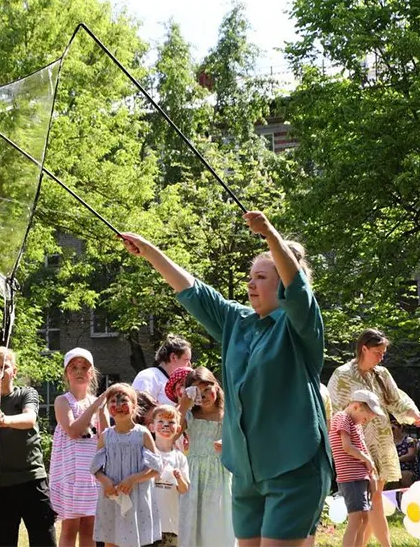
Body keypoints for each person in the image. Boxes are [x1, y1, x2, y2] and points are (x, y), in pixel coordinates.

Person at [122, 211, 332, 546]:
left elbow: (298, 289)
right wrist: (149, 251)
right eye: (250, 276)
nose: (251, 283)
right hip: (246, 470)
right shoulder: (238, 321)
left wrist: (270, 235)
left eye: (262, 277)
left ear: (284, 284)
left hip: (294, 464)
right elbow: (194, 290)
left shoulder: (300, 324)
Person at [328, 328, 420, 547]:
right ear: (364, 348)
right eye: (377, 352)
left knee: (374, 499)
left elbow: (396, 399)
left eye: (383, 352)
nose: (382, 357)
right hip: (355, 446)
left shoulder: (381, 374)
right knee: (372, 502)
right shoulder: (342, 375)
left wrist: (413, 413)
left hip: (380, 442)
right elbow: (332, 412)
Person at [0, 347, 57, 547]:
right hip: (0, 484)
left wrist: (5, 420)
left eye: (4, 366)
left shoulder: (27, 393)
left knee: (43, 538)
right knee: (0, 540)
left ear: (15, 371)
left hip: (32, 479)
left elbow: (29, 418)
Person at [91, 383, 161, 547]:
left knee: (135, 540)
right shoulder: (106, 436)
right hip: (112, 496)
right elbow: (95, 468)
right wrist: (105, 481)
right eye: (113, 402)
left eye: (124, 401)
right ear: (108, 407)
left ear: (134, 405)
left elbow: (156, 468)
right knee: (111, 540)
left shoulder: (142, 434)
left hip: (136, 496)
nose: (118, 406)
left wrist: (134, 479)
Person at [49, 347, 107, 547]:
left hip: (92, 474)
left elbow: (105, 434)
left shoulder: (98, 403)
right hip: (72, 474)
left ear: (91, 373)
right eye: (74, 368)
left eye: (84, 367)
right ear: (67, 373)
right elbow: (73, 430)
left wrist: (101, 408)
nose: (80, 371)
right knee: (70, 526)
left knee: (89, 526)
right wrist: (95, 406)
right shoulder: (62, 401)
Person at [176, 367, 233, 546]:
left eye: (207, 389)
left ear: (216, 387)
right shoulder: (190, 415)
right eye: (198, 392)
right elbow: (172, 435)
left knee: (217, 522)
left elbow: (243, 437)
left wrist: (228, 443)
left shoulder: (229, 413)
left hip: (220, 474)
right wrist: (183, 407)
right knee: (192, 522)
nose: (204, 395)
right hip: (193, 474)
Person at [329, 390, 382, 547]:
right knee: (356, 519)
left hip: (361, 476)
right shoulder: (342, 418)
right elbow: (347, 447)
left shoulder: (355, 424)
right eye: (366, 417)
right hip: (350, 477)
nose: (365, 421)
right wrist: (367, 461)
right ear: (356, 406)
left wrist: (371, 474)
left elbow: (363, 449)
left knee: (364, 518)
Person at [150, 405, 189, 547]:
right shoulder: (146, 453)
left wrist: (179, 478)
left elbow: (184, 489)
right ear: (151, 427)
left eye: (171, 422)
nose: (166, 425)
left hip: (171, 524)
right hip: (147, 524)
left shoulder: (180, 457)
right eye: (160, 421)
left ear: (178, 429)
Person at [131, 336, 192, 407]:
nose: (189, 365)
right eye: (186, 360)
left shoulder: (176, 382)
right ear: (173, 357)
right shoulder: (149, 376)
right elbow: (141, 409)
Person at [391, 420, 419, 487]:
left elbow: (411, 454)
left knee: (404, 475)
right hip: (394, 470)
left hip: (407, 469)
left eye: (393, 428)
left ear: (401, 428)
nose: (391, 431)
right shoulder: (389, 443)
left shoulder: (409, 440)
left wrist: (397, 460)